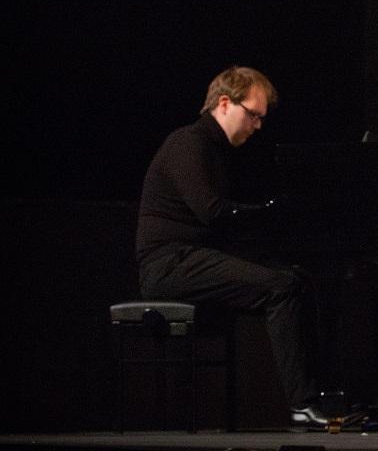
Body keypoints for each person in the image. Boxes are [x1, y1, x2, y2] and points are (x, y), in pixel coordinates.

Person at [135, 65, 334, 428]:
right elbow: (212, 213)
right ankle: (301, 404)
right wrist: (270, 213)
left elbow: (222, 228)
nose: (257, 126)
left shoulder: (216, 150)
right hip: (168, 265)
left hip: (193, 258)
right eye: (253, 115)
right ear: (225, 103)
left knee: (299, 279)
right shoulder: (188, 143)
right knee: (281, 287)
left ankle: (322, 395)